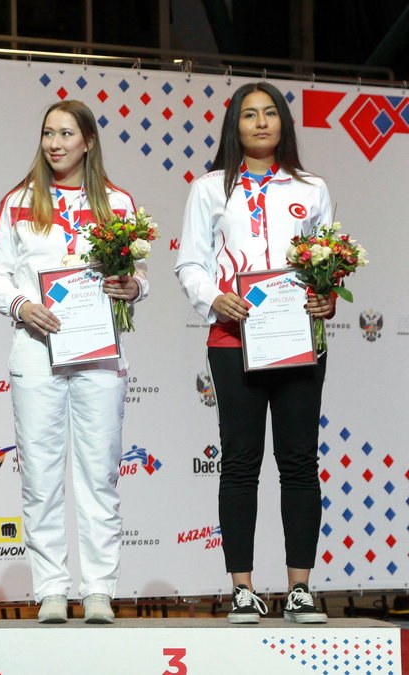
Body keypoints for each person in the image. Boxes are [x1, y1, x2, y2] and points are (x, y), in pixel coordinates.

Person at [0, 100, 146, 624]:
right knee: (41, 476)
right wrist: (21, 305)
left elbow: (141, 276)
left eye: (67, 133)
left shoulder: (118, 204)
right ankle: (51, 588)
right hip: (36, 349)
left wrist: (132, 285)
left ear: (88, 142)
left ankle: (98, 588)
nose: (55, 143)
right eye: (48, 132)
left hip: (98, 355)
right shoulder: (18, 201)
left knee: (99, 475)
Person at [175, 81, 333, 624]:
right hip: (232, 340)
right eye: (249, 115)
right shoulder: (209, 189)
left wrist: (325, 296)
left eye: (270, 113)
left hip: (297, 343)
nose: (261, 122)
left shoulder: (312, 187)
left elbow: (326, 260)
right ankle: (242, 588)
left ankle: (300, 589)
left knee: (299, 462)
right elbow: (190, 264)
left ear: (284, 124)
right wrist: (214, 297)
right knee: (240, 464)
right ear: (234, 126)